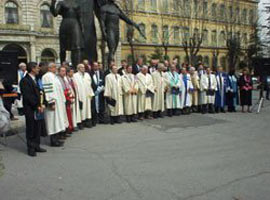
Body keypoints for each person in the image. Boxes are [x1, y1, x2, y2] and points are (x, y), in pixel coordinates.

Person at [20, 62, 47, 157]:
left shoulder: (36, 79)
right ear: (32, 69)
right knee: (31, 128)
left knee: (38, 127)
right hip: (31, 109)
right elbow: (28, 96)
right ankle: (31, 148)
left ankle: (37, 145)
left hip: (39, 108)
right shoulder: (25, 81)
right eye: (37, 68)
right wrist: (37, 106)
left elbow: (41, 92)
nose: (39, 69)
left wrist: (43, 103)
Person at [50, 0, 84, 67]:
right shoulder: (61, 3)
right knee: (63, 47)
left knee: (76, 47)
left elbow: (80, 17)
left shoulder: (76, 4)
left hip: (75, 24)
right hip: (65, 23)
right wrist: (53, 3)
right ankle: (63, 65)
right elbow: (55, 13)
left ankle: (76, 66)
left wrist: (82, 29)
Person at [42, 63, 67, 147]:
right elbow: (48, 89)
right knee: (53, 122)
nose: (56, 68)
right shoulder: (47, 76)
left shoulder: (54, 76)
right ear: (50, 68)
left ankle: (57, 138)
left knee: (57, 121)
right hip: (53, 103)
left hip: (58, 102)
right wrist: (51, 102)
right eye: (54, 67)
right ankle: (53, 141)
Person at [73, 64, 95, 128]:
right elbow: (75, 86)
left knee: (87, 109)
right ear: (78, 68)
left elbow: (90, 84)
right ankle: (81, 123)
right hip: (80, 95)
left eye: (83, 67)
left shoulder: (87, 75)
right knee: (81, 109)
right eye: (81, 67)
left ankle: (87, 122)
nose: (83, 68)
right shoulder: (75, 75)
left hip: (87, 95)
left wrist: (91, 94)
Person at [58, 66, 74, 134]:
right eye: (62, 71)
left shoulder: (64, 78)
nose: (64, 73)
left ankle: (68, 128)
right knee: (64, 116)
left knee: (68, 115)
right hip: (62, 99)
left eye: (64, 71)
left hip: (67, 98)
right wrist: (66, 93)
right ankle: (64, 131)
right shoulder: (57, 79)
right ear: (59, 72)